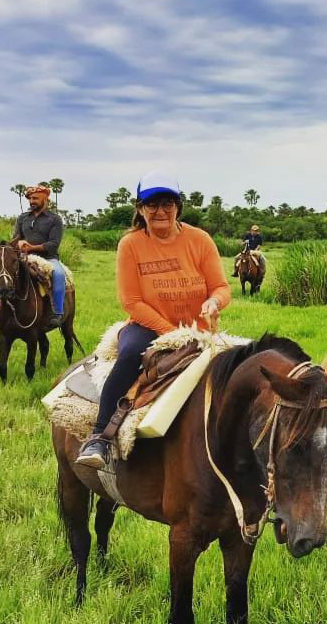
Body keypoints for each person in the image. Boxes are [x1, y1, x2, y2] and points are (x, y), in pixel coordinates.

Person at [76, 172, 231, 468]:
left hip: (200, 330)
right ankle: (100, 437)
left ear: (178, 207)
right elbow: (132, 301)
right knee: (131, 354)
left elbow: (221, 287)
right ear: (139, 208)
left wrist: (214, 301)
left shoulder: (199, 240)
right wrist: (172, 334)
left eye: (167, 203)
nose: (160, 211)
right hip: (147, 328)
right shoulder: (130, 245)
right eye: (152, 204)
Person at [0, 185, 66, 328]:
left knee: (59, 274)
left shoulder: (55, 219)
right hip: (23, 256)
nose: (32, 201)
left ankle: (57, 314)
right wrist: (15, 245)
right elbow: (15, 238)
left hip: (48, 258)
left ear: (45, 199)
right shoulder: (23, 218)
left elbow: (53, 244)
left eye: (35, 198)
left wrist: (31, 246)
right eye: (30, 199)